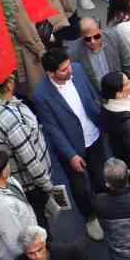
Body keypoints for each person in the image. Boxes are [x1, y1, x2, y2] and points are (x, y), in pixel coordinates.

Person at [32, 47, 108, 238]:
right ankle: (90, 217)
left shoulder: (78, 70)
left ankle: (106, 208)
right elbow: (52, 128)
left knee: (100, 178)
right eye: (64, 70)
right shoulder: (41, 95)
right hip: (71, 149)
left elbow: (92, 95)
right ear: (50, 73)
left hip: (94, 136)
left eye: (68, 66)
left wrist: (103, 120)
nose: (70, 70)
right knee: (80, 187)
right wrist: (71, 154)